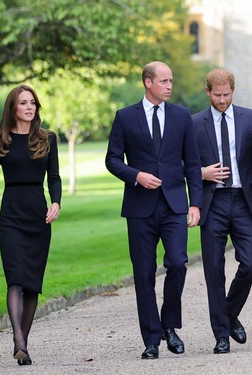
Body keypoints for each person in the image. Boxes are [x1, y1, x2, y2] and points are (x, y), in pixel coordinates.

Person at [105, 61, 202, 359]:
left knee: (177, 262)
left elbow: (194, 164)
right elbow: (112, 160)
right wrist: (136, 176)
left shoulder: (181, 116)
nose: (170, 86)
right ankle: (151, 339)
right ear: (148, 82)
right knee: (143, 273)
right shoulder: (124, 117)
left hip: (174, 205)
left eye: (171, 80)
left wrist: (195, 202)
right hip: (139, 208)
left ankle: (169, 325)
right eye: (164, 81)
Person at [0, 85, 61, 365]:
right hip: (11, 213)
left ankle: (23, 340)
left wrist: (56, 202)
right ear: (13, 108)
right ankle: (19, 341)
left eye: (32, 102)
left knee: (32, 284)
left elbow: (55, 177)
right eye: (23, 103)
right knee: (15, 278)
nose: (29, 107)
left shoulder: (48, 139)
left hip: (38, 213)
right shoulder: (0, 140)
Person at [192, 68, 252, 354]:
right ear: (208, 91)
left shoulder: (249, 118)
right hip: (212, 204)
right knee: (214, 270)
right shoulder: (195, 123)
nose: (222, 100)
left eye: (227, 95)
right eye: (217, 95)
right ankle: (221, 335)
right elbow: (182, 164)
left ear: (233, 91)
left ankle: (228, 311)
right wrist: (202, 173)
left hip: (243, 200)